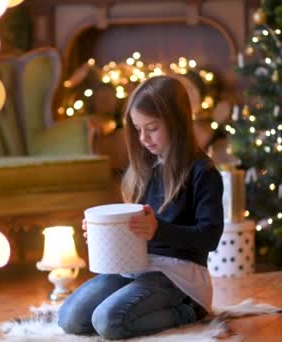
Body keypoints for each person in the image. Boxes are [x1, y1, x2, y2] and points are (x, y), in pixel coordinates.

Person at [58, 75, 224, 340]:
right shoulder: (146, 167)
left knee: (108, 322)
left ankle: (189, 312)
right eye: (138, 128)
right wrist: (106, 233)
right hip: (139, 266)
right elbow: (136, 229)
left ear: (177, 123)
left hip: (180, 276)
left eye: (152, 128)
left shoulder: (203, 172)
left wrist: (159, 230)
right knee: (69, 319)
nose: (143, 137)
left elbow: (210, 237)